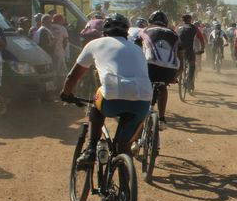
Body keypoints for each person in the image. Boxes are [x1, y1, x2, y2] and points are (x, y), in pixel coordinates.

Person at [61, 13, 152, 166]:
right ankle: (125, 186)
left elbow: (73, 77)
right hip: (142, 100)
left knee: (95, 108)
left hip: (112, 98)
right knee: (123, 148)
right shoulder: (137, 49)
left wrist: (65, 93)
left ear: (104, 31)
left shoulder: (95, 44)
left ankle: (90, 149)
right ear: (126, 32)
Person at [136, 10, 183, 127]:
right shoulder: (174, 34)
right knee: (162, 85)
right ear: (166, 23)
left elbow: (135, 50)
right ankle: (162, 119)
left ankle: (138, 115)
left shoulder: (144, 31)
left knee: (142, 86)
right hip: (169, 70)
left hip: (148, 66)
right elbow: (181, 59)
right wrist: (175, 76)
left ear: (150, 21)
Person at [177, 14, 205, 91]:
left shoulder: (178, 28)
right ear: (190, 20)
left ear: (182, 20)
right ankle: (189, 81)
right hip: (189, 50)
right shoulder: (194, 28)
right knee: (192, 65)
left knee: (178, 63)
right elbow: (201, 39)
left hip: (178, 50)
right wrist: (202, 49)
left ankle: (175, 76)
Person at [49, 13, 69, 78]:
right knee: (63, 70)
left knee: (53, 68)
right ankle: (62, 84)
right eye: (62, 19)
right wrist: (63, 49)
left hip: (50, 51)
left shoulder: (49, 27)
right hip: (60, 51)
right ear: (60, 20)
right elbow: (65, 41)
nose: (63, 21)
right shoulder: (62, 28)